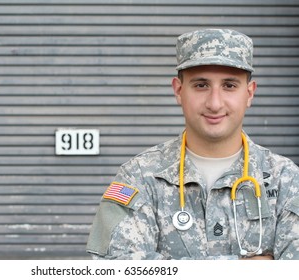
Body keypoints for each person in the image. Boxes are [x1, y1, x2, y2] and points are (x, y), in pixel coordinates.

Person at [86, 29, 299, 260]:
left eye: (229, 86)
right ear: (179, 90)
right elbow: (113, 268)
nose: (215, 103)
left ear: (249, 93)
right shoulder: (139, 176)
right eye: (201, 85)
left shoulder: (286, 179)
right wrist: (243, 267)